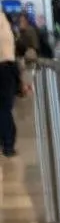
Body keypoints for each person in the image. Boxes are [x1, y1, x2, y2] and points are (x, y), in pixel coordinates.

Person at [0, 12, 22, 157]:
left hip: (2, 67)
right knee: (4, 108)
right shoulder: (4, 20)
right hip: (8, 66)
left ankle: (7, 144)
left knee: (2, 109)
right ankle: (7, 143)